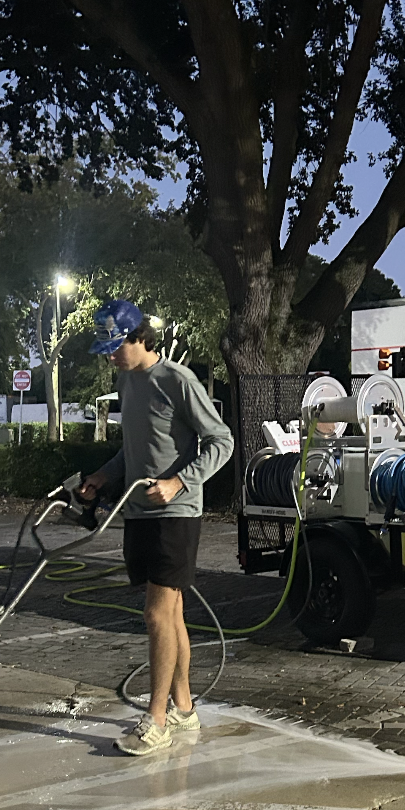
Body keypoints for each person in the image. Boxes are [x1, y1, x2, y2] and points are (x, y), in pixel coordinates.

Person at [80, 299, 234, 756]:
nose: (110, 357)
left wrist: (179, 481)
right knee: (171, 616)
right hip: (138, 513)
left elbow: (221, 440)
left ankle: (156, 720)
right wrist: (103, 477)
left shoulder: (176, 380)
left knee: (154, 615)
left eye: (114, 347)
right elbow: (135, 450)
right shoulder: (127, 382)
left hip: (177, 513)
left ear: (138, 337)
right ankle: (184, 708)